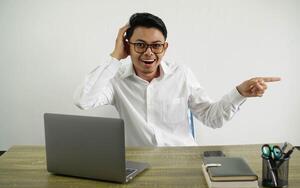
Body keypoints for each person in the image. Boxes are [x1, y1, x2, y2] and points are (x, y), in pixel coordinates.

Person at [74, 12, 280, 147]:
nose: (148, 53)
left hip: (184, 161)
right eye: (140, 44)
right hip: (138, 164)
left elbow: (212, 118)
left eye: (156, 45)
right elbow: (83, 100)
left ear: (165, 47)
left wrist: (239, 93)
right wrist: (115, 57)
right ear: (128, 46)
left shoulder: (181, 74)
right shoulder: (116, 80)